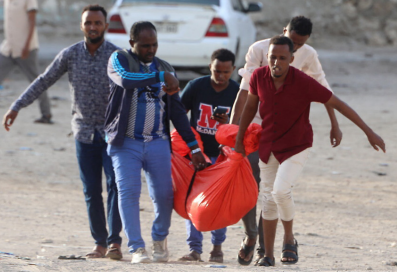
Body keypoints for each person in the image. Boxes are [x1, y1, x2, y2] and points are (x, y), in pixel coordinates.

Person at [234, 35, 385, 267]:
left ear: (292, 59)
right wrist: (238, 139)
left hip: (297, 146)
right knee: (268, 198)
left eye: (282, 58)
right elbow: (250, 107)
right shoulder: (258, 77)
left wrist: (368, 131)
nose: (276, 62)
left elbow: (337, 103)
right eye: (272, 57)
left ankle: (289, 239)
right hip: (268, 146)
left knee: (281, 191)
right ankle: (268, 255)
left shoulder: (303, 82)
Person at [2, 5, 124, 260]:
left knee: (115, 186)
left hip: (113, 134)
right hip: (83, 134)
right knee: (91, 191)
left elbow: (134, 88)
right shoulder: (70, 54)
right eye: (88, 22)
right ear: (82, 26)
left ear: (105, 26)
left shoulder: (117, 56)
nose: (93, 27)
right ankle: (99, 243)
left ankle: (115, 243)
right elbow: (43, 80)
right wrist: (17, 105)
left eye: (97, 23)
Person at [231, 16, 343, 265]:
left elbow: (324, 90)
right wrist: (233, 129)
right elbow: (244, 91)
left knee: (273, 192)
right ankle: (251, 235)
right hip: (255, 128)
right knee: (250, 186)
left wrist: (334, 124)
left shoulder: (308, 54)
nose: (295, 47)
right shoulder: (261, 49)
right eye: (292, 41)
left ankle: (266, 248)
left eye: (300, 45)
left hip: (286, 131)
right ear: (284, 32)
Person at [105, 21, 207, 264]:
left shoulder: (165, 67)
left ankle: (159, 238)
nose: (150, 50)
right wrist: (160, 77)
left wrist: (194, 146)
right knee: (128, 193)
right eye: (144, 45)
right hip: (125, 142)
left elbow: (178, 113)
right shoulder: (119, 59)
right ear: (132, 44)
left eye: (154, 45)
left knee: (163, 196)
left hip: (158, 142)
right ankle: (137, 248)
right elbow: (127, 80)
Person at [178, 48, 239, 263]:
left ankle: (217, 247)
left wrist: (227, 124)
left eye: (225, 72)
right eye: (216, 71)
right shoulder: (197, 86)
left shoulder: (237, 91)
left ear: (233, 69)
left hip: (222, 155)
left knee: (219, 203)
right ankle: (194, 249)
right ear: (210, 67)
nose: (220, 76)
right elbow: (179, 114)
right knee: (192, 201)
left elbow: (242, 125)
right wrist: (189, 145)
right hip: (197, 154)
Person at [0, 0, 52, 124]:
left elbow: (32, 22)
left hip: (25, 48)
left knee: (36, 82)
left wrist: (26, 45)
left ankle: (46, 114)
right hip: (9, 47)